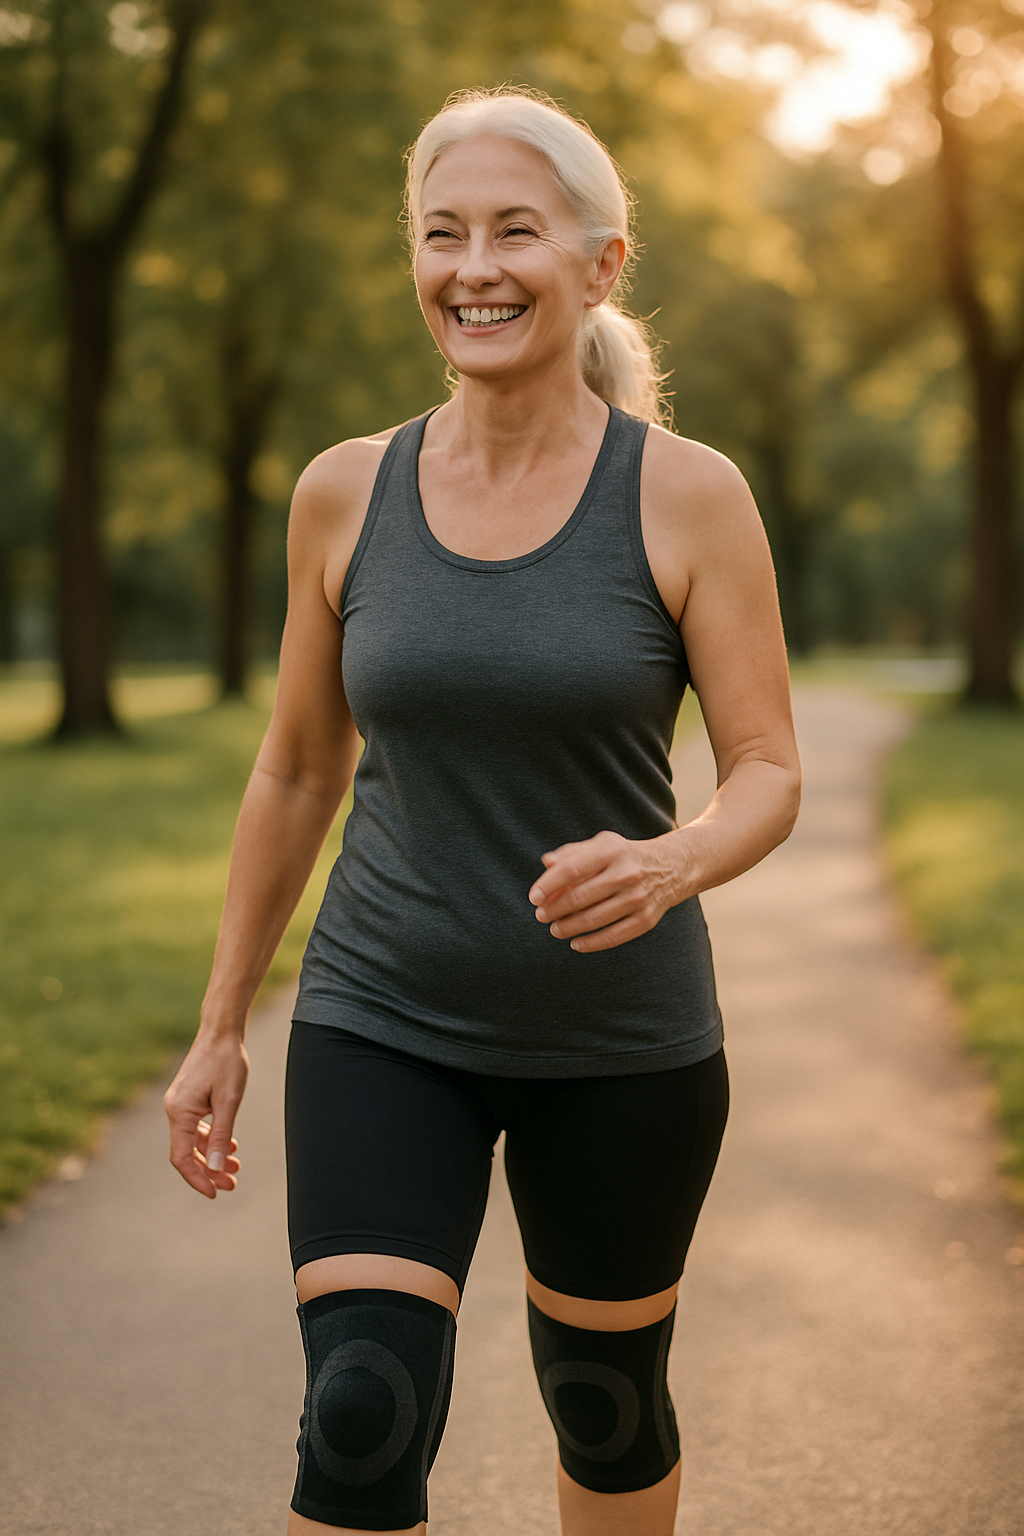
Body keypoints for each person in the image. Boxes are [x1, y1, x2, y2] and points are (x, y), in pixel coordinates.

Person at [164, 86, 801, 1536]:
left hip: (620, 1042)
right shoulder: (344, 492)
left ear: (600, 262)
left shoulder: (688, 497)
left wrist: (672, 861)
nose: (474, 268)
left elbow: (767, 763)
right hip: (383, 1015)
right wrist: (219, 1024)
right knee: (362, 1411)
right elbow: (297, 768)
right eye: (441, 234)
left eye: (516, 231)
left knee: (608, 1407)